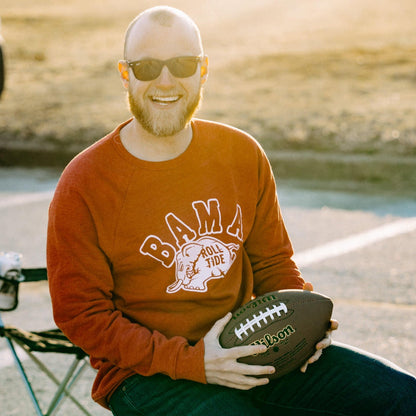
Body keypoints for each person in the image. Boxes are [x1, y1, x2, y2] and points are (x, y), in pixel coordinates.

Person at [47, 6, 416, 415]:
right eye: (147, 66)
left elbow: (274, 263)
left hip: (254, 349)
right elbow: (82, 315)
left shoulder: (240, 154)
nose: (165, 81)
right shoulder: (85, 182)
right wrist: (193, 363)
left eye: (183, 65)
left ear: (203, 70)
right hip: (146, 376)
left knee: (402, 397)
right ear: (125, 73)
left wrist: (303, 328)